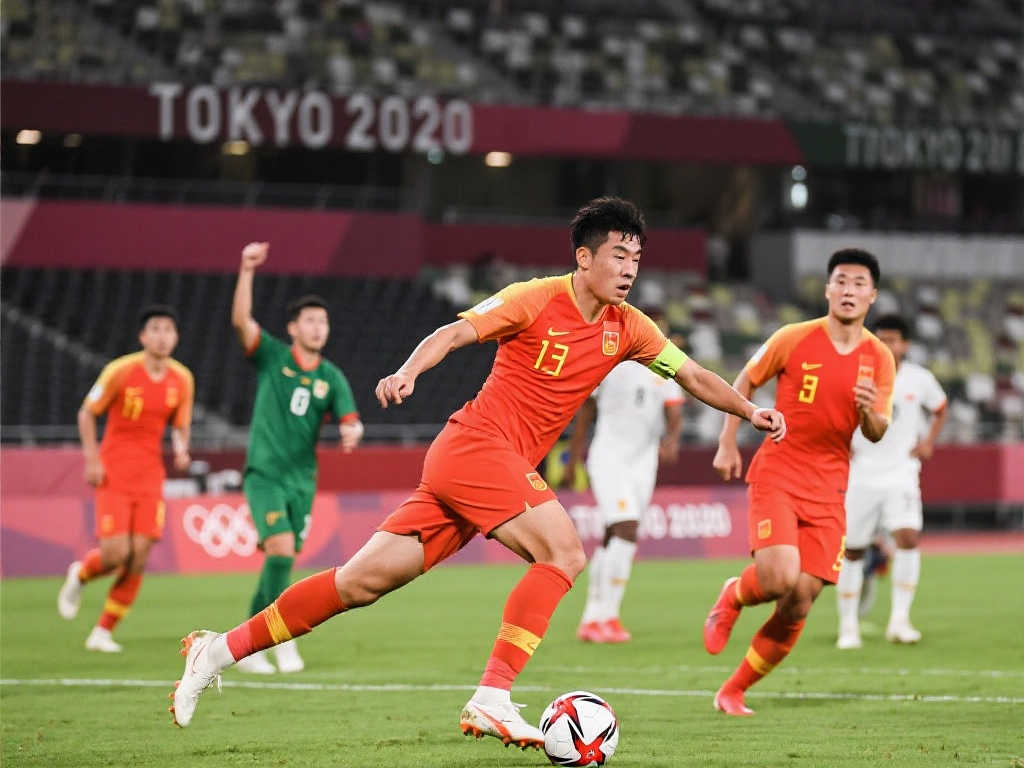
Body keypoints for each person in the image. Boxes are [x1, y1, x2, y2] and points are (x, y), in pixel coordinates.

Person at [170, 197, 786, 746]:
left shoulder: (629, 328)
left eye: (637, 259)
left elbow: (693, 375)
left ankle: (215, 651)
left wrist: (748, 409)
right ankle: (492, 695)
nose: (630, 269)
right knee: (564, 553)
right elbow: (452, 333)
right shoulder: (533, 298)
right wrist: (409, 372)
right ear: (584, 257)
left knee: (358, 584)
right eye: (619, 256)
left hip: (486, 467)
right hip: (476, 447)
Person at [705, 248, 895, 716]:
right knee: (779, 577)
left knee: (800, 601)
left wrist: (868, 410)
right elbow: (745, 381)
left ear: (872, 295)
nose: (849, 290)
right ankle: (734, 594)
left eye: (859, 284)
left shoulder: (879, 357)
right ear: (828, 288)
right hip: (780, 471)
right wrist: (728, 441)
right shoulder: (793, 337)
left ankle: (733, 690)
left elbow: (876, 432)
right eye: (841, 281)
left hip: (830, 487)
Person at [230, 242, 364, 674]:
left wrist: (352, 431)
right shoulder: (272, 357)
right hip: (265, 473)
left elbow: (350, 419)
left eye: (323, 321)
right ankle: (268, 641)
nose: (318, 328)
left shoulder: (331, 377)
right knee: (282, 550)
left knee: (283, 559)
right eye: (310, 320)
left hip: (302, 481)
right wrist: (246, 269)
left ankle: (254, 639)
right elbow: (241, 321)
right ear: (292, 328)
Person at [57, 305, 193, 652]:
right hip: (114, 471)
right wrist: (92, 460)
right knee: (116, 553)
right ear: (143, 336)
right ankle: (80, 574)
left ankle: (103, 632)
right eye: (156, 329)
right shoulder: (120, 370)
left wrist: (181, 449)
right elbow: (87, 412)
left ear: (176, 337)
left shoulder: (182, 379)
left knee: (139, 556)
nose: (162, 337)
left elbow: (180, 426)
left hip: (150, 476)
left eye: (168, 330)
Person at [836, 314, 947, 649]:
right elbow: (834, 412)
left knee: (908, 537)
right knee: (853, 549)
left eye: (892, 339)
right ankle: (848, 626)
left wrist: (928, 443)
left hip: (901, 471)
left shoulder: (919, 379)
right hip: (861, 472)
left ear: (905, 344)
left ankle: (900, 620)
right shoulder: (855, 375)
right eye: (880, 338)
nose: (886, 345)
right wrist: (839, 444)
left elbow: (940, 408)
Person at [568, 354, 685, 644]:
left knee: (614, 535)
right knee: (626, 528)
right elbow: (586, 408)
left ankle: (592, 618)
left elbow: (674, 408)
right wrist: (574, 457)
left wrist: (672, 439)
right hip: (609, 457)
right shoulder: (609, 361)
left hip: (644, 462)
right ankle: (608, 616)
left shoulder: (664, 363)